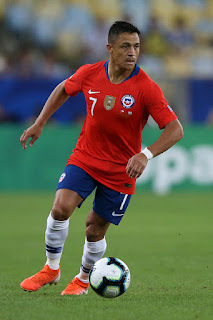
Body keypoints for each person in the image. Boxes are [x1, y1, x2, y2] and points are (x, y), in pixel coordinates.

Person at [20, 21, 184, 295]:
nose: (132, 52)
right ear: (110, 48)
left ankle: (83, 280)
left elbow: (175, 129)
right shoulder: (89, 73)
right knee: (60, 209)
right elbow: (63, 88)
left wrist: (145, 154)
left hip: (121, 170)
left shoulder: (146, 87)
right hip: (85, 157)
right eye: (125, 46)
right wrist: (40, 122)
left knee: (94, 231)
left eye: (136, 47)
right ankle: (51, 269)